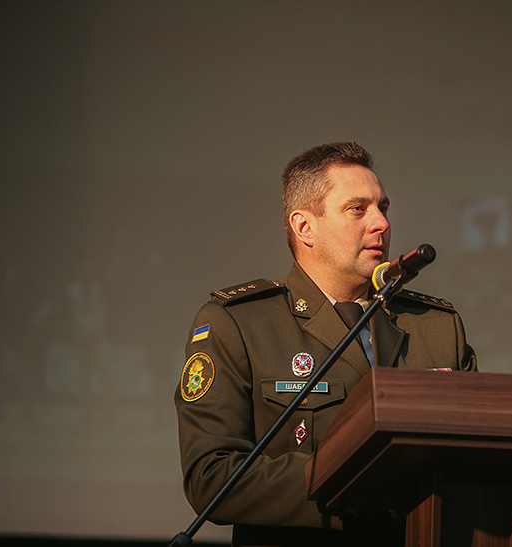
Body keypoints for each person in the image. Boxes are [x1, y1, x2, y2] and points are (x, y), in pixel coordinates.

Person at [175, 142, 476, 547]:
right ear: (305, 227)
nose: (381, 223)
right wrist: (354, 483)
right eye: (358, 209)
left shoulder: (437, 327)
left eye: (383, 208)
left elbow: (480, 458)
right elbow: (211, 476)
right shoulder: (240, 324)